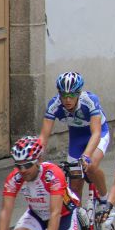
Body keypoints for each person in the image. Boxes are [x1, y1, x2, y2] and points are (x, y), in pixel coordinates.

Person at [39, 72, 109, 204]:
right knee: (75, 185)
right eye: (64, 95)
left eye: (71, 95)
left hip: (97, 134)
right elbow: (44, 136)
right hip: (76, 138)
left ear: (78, 93)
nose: (67, 100)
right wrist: (36, 158)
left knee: (92, 166)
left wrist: (86, 156)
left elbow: (96, 133)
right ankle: (78, 220)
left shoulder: (90, 101)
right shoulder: (54, 105)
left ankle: (106, 201)